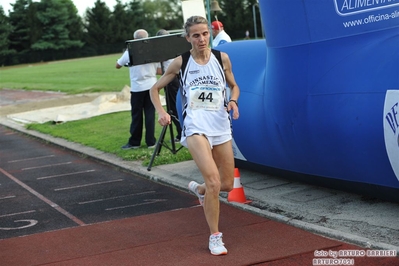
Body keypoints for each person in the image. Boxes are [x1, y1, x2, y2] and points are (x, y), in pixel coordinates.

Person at [149, 16, 240, 256]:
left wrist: (233, 101)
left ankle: (199, 190)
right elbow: (154, 88)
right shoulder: (181, 62)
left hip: (220, 126)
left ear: (210, 34)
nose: (201, 39)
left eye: (205, 34)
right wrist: (161, 112)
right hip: (195, 126)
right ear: (188, 38)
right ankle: (215, 237)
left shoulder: (222, 58)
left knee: (226, 184)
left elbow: (235, 86)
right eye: (196, 35)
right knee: (213, 182)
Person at [116, 29, 162, 149]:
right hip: (152, 85)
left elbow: (118, 65)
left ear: (135, 39)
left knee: (137, 115)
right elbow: (158, 69)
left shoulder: (130, 51)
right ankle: (151, 142)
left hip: (137, 87)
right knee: (150, 114)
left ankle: (135, 142)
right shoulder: (153, 51)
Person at [156, 29, 182, 142]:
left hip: (171, 80)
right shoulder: (175, 47)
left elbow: (159, 70)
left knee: (173, 107)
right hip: (178, 78)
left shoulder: (163, 50)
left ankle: (181, 133)